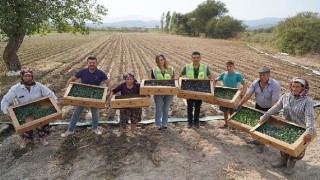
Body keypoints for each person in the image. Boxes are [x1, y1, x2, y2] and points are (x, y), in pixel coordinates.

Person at [258, 77, 314, 175]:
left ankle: (291, 165)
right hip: (285, 125)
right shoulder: (286, 96)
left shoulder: (307, 101)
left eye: (297, 87)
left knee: (295, 149)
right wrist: (265, 116)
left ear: (303, 88)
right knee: (283, 145)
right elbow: (276, 107)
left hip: (299, 128)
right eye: (293, 86)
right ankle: (283, 161)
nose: (294, 89)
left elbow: (309, 116)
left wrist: (309, 132)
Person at [1, 68, 57, 148]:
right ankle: (25, 139)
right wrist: (6, 112)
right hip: (23, 110)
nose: (27, 77)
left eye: (29, 76)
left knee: (42, 124)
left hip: (37, 108)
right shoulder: (15, 88)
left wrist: (55, 103)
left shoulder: (38, 86)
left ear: (32, 76)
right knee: (25, 126)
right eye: (25, 76)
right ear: (22, 77)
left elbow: (50, 94)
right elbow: (5, 100)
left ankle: (42, 138)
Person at [61, 55, 110, 137]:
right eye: (90, 63)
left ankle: (95, 128)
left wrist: (108, 92)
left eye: (93, 63)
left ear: (96, 63)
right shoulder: (82, 72)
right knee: (76, 113)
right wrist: (67, 88)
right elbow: (72, 79)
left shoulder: (101, 73)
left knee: (95, 113)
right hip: (82, 95)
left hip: (94, 96)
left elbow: (108, 83)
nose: (92, 64)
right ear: (87, 63)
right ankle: (70, 130)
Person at [235, 66, 281, 153]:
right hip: (259, 106)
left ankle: (262, 146)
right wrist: (239, 104)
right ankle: (257, 141)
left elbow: (274, 101)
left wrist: (272, 113)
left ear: (269, 75)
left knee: (263, 127)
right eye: (260, 75)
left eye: (264, 75)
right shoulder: (256, 83)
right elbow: (248, 95)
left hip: (269, 108)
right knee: (257, 123)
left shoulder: (275, 85)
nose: (262, 77)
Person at [176, 51, 215, 128]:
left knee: (198, 106)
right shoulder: (187, 67)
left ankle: (196, 122)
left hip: (200, 90)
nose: (196, 59)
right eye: (194, 57)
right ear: (192, 58)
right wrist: (178, 84)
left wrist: (213, 82)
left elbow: (210, 76)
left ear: (200, 58)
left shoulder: (204, 67)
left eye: (197, 57)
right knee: (189, 107)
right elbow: (179, 76)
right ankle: (190, 122)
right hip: (189, 90)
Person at [215, 60, 246, 128]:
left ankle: (232, 125)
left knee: (232, 111)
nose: (228, 68)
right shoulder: (223, 74)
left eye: (230, 66)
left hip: (233, 95)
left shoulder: (237, 75)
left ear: (233, 67)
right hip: (224, 95)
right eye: (227, 66)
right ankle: (226, 123)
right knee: (225, 110)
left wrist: (243, 91)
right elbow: (216, 80)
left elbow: (244, 83)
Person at [151, 54, 174, 130]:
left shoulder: (170, 69)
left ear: (164, 60)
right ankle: (158, 124)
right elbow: (153, 81)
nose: (161, 62)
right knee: (159, 107)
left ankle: (165, 124)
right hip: (158, 91)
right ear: (156, 61)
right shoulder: (154, 70)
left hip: (169, 91)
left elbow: (173, 80)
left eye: (162, 60)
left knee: (166, 108)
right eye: (159, 60)